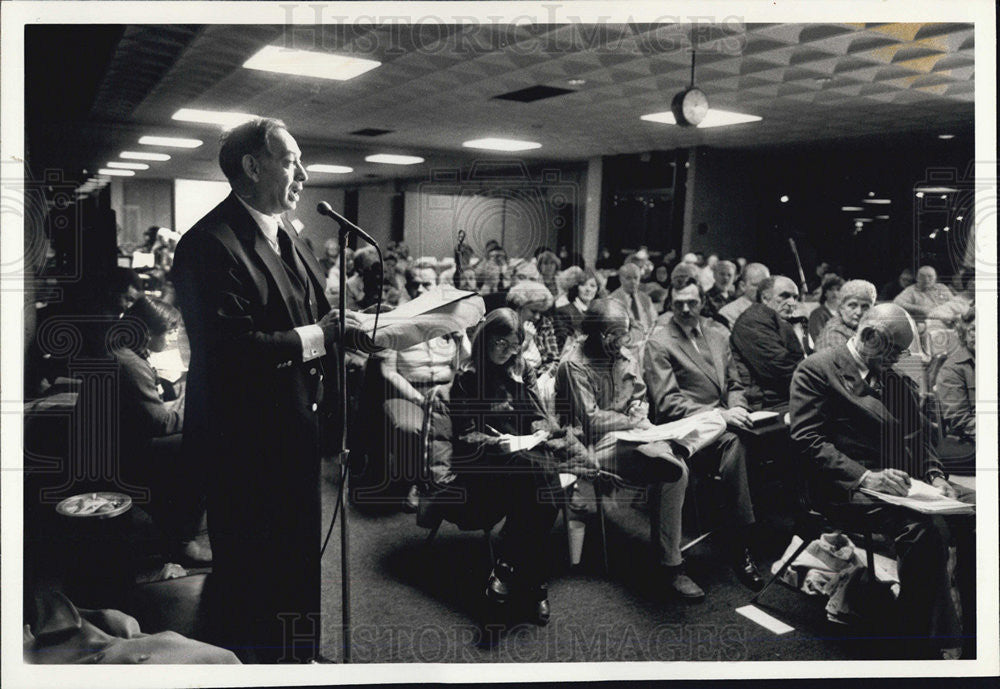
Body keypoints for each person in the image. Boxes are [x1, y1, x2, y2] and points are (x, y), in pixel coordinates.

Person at [171, 117, 366, 663]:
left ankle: (299, 654)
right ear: (252, 167)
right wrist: (317, 336)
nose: (303, 174)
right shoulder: (208, 244)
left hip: (298, 428)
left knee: (300, 553)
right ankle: (255, 665)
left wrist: (349, 333)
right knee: (253, 567)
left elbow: (319, 314)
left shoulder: (292, 235)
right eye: (290, 160)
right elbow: (228, 350)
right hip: (244, 442)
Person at [789, 303, 974, 659]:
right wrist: (866, 477)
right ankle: (914, 643)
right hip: (841, 487)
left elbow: (917, 438)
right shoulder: (816, 370)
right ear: (869, 336)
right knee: (923, 530)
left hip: (901, 485)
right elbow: (808, 441)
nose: (899, 359)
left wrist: (935, 475)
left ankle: (964, 634)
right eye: (895, 351)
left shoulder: (892, 377)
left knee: (974, 518)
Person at [556, 299, 727, 600]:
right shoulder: (574, 364)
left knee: (715, 422)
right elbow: (592, 420)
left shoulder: (623, 355)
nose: (625, 340)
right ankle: (671, 566)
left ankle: (670, 448)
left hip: (634, 434)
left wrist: (639, 408)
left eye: (625, 334)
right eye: (619, 335)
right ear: (602, 336)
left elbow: (639, 395)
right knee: (677, 471)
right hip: (591, 445)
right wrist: (631, 419)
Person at [449, 309, 592, 625]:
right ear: (485, 338)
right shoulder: (467, 379)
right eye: (501, 342)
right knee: (544, 481)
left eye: (514, 345)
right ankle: (535, 585)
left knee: (538, 483)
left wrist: (540, 429)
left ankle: (508, 567)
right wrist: (494, 443)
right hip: (484, 466)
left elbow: (539, 415)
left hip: (524, 459)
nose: (508, 351)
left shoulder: (522, 369)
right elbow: (466, 436)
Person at [643, 279, 764, 590]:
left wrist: (738, 410)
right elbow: (668, 403)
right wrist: (721, 416)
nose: (686, 309)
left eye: (692, 302)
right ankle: (741, 542)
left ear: (702, 302)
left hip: (726, 421)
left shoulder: (717, 335)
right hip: (688, 429)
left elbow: (736, 385)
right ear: (670, 302)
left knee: (769, 435)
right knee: (736, 444)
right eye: (679, 302)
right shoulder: (660, 341)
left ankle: (773, 528)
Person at [375, 266, 467, 507]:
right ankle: (415, 482)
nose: (421, 290)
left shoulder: (450, 319)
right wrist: (418, 398)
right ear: (407, 287)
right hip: (409, 392)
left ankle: (458, 481)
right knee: (411, 427)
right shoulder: (394, 321)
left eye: (427, 285)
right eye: (415, 284)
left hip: (447, 391)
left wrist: (461, 338)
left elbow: (465, 364)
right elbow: (388, 371)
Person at [730, 276, 806, 411]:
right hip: (767, 404)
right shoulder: (752, 321)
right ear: (765, 298)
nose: (792, 303)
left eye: (795, 297)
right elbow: (781, 369)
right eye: (784, 296)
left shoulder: (777, 321)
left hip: (785, 397)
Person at [936, 306, 975, 444]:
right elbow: (959, 421)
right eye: (974, 330)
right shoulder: (952, 368)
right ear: (963, 333)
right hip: (971, 440)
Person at [506, 281, 561, 378]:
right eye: (533, 311)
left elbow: (553, 360)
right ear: (519, 307)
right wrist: (525, 342)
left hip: (539, 379)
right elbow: (504, 362)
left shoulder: (543, 324)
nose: (537, 317)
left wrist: (545, 377)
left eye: (540, 312)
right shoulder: (504, 322)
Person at [814, 280, 877, 352]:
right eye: (852, 306)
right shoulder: (833, 336)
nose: (859, 312)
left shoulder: (865, 328)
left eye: (865, 307)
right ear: (841, 308)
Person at [609, 262, 657, 354]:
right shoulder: (612, 300)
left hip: (647, 346)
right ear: (621, 279)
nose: (633, 282)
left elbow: (654, 321)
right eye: (628, 278)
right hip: (624, 349)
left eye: (636, 278)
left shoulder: (645, 298)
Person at [552, 268, 600, 351]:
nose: (588, 289)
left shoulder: (599, 312)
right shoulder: (563, 312)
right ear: (576, 287)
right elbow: (561, 345)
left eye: (592, 286)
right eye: (583, 285)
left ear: (597, 289)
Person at [718, 262, 770, 328]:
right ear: (743, 286)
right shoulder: (728, 313)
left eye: (765, 285)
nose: (761, 289)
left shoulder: (773, 308)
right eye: (755, 285)